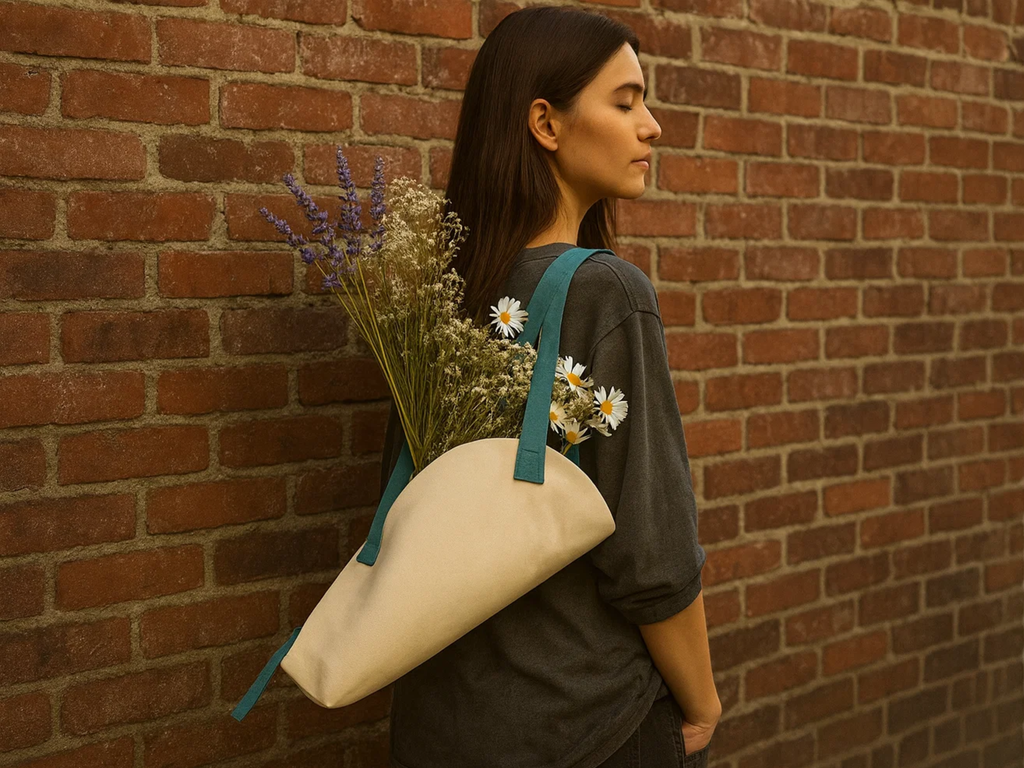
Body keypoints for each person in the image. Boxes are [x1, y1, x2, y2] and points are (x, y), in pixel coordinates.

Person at [379, 5, 721, 766]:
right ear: (546, 123)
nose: (653, 126)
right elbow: (652, 555)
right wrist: (701, 703)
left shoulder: (441, 297)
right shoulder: (607, 293)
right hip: (587, 726)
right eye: (626, 102)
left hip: (442, 722)